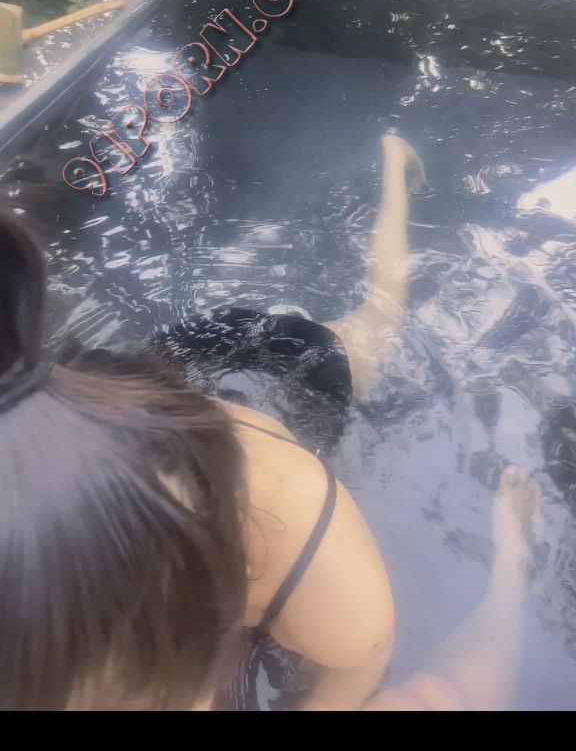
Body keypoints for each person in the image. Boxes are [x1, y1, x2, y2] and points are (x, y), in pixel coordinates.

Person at [0, 136, 537, 710]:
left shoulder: (335, 591)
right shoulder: (34, 442)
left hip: (287, 371)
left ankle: (393, 158)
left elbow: (408, 677)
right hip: (164, 375)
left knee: (384, 309)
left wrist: (511, 569)